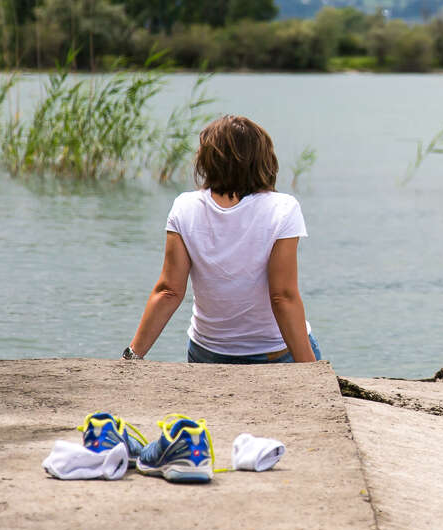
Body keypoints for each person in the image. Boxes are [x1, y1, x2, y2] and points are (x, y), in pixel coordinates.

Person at [122, 115, 320, 364]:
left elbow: (169, 291)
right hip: (274, 354)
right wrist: (309, 371)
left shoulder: (185, 207)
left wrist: (132, 357)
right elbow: (282, 296)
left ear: (207, 161)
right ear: (263, 159)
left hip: (207, 353)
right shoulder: (282, 208)